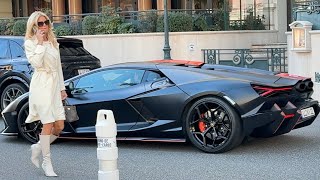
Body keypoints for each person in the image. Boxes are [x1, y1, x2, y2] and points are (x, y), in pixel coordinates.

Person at [24, 11, 67, 177]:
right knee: (48, 123)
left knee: (59, 126)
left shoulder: (54, 42)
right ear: (34, 26)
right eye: (39, 24)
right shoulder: (30, 43)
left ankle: (37, 147)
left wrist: (62, 89)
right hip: (41, 86)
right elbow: (35, 63)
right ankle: (46, 162)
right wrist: (40, 43)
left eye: (46, 22)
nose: (44, 26)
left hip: (54, 86)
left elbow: (57, 68)